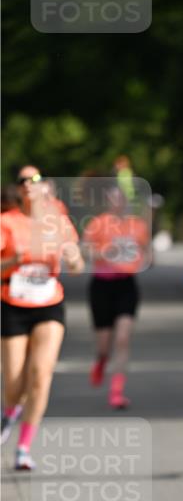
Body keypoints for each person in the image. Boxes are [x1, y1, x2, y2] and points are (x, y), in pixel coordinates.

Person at [1, 166, 84, 468]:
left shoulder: (57, 222)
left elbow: (75, 263)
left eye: (34, 179)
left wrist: (73, 257)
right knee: (13, 383)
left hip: (49, 303)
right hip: (12, 302)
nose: (29, 184)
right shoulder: (7, 222)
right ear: (19, 189)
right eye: (23, 180)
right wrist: (16, 259)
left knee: (40, 375)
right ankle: (9, 411)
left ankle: (23, 447)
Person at [83, 185, 150, 408]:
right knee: (104, 345)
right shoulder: (97, 223)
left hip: (126, 285)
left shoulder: (136, 225)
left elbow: (147, 252)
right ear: (107, 202)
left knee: (122, 339)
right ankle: (101, 360)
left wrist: (143, 260)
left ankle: (116, 393)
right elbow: (84, 251)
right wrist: (105, 252)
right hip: (101, 286)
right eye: (113, 199)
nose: (117, 203)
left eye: (120, 199)